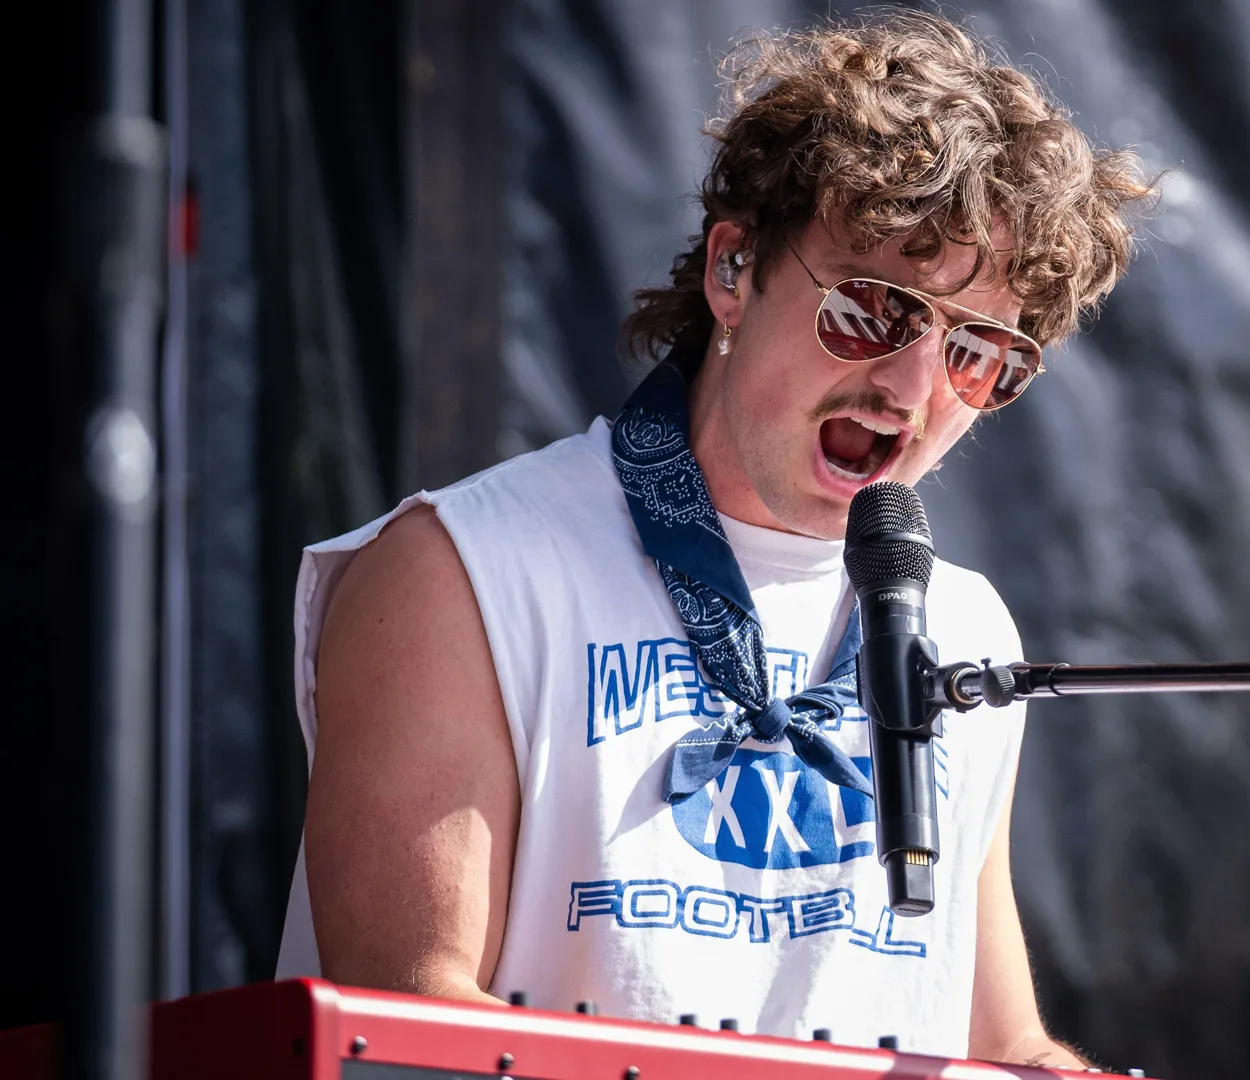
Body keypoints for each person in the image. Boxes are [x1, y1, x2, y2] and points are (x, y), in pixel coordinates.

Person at [275, 10, 1151, 1065]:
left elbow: (1000, 1043)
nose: (913, 387)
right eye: (875, 311)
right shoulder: (461, 570)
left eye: (979, 353)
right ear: (733, 271)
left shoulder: (963, 628)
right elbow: (409, 1035)